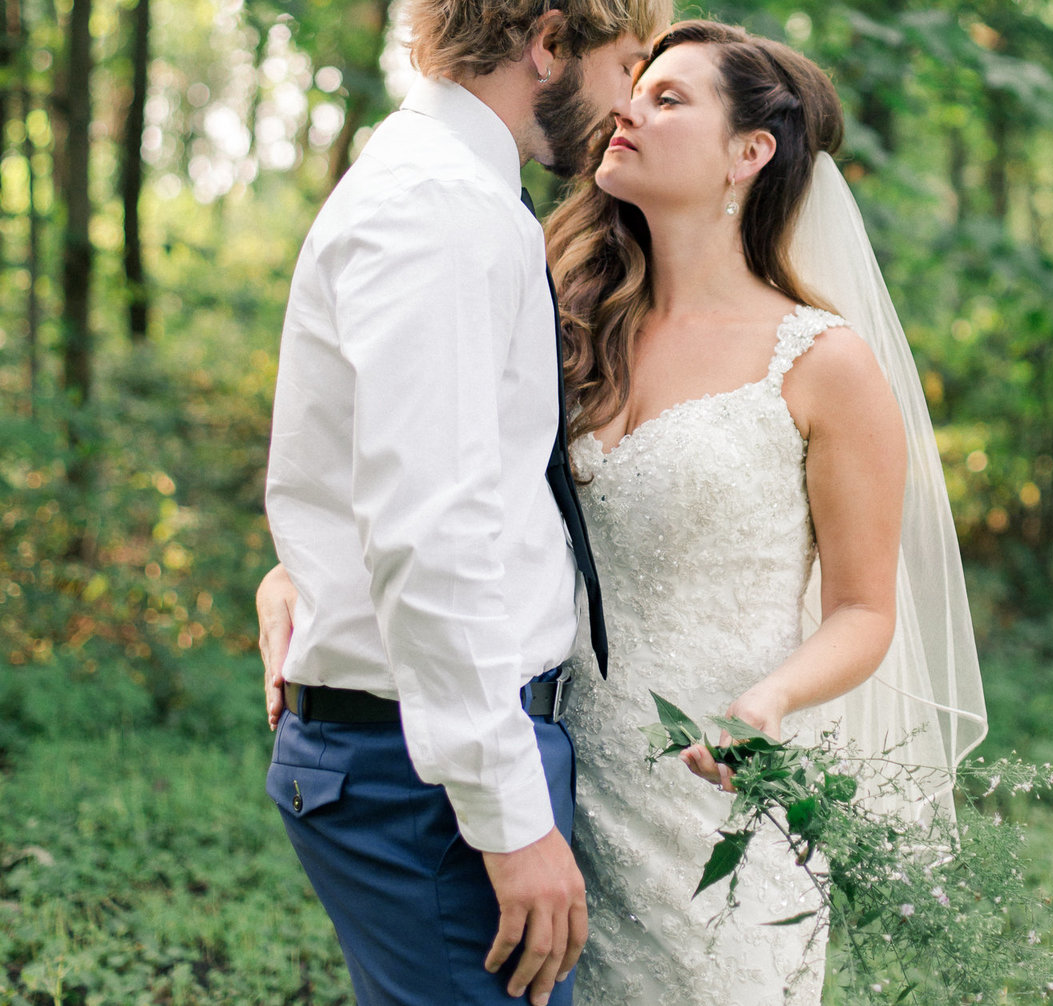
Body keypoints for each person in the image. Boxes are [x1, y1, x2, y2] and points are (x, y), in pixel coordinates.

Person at [261, 18, 988, 1005]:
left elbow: (863, 610)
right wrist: (304, 575)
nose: (628, 108)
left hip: (710, 780)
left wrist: (765, 705)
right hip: (559, 777)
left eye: (668, 96)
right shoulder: (563, 312)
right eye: (634, 83)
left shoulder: (827, 363)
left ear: (750, 152)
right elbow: (428, 482)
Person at [260, 1, 669, 1004]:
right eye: (628, 65)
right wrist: (509, 817)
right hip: (429, 774)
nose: (626, 105)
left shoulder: (452, 194)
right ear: (550, 43)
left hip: (433, 748)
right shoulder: (435, 210)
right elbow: (430, 529)